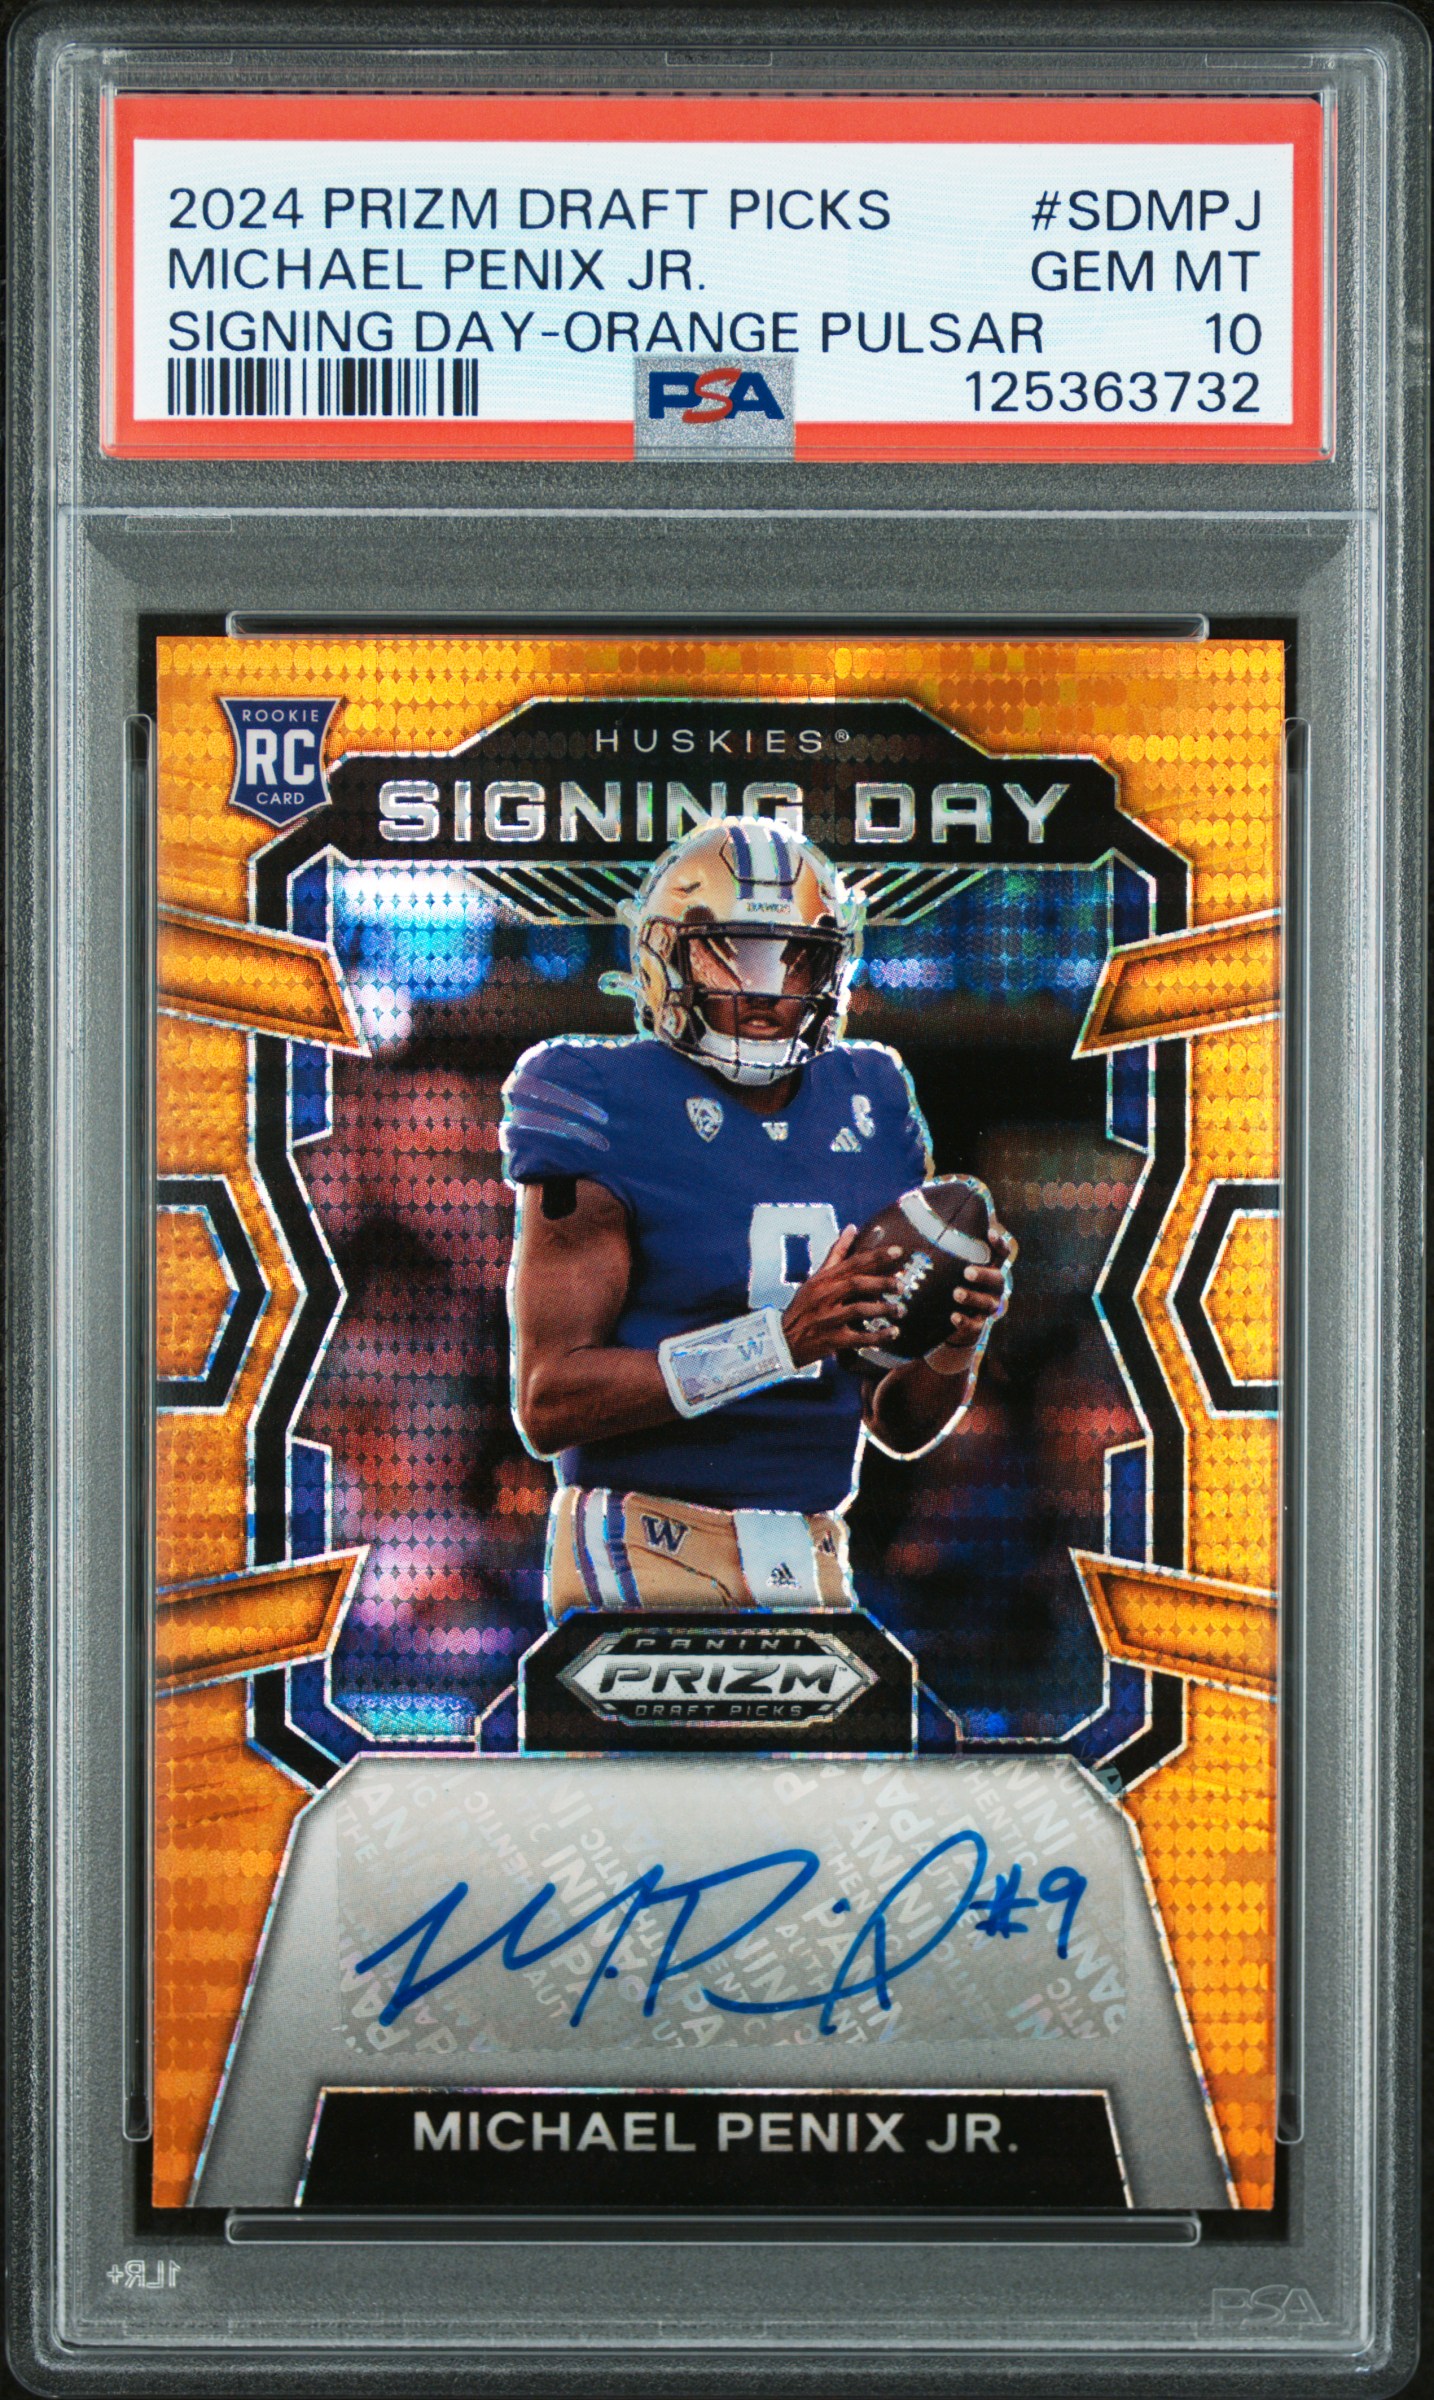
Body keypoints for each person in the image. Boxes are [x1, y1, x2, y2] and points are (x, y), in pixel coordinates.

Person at [500, 816, 1012, 1619]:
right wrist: (777, 1341)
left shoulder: (872, 1097)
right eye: (731, 953)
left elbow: (898, 1427)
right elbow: (548, 1402)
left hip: (811, 1547)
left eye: (796, 958)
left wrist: (953, 1343)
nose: (768, 990)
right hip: (642, 1540)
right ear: (666, 955)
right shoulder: (597, 1094)